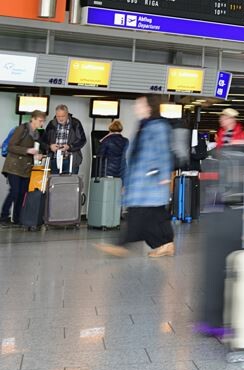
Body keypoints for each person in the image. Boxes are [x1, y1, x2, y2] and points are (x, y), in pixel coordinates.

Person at [96, 95, 176, 258]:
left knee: (138, 215)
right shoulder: (144, 126)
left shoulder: (158, 126)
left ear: (149, 107)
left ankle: (122, 245)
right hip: (140, 180)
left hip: (150, 180)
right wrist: (128, 182)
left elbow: (163, 151)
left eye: (139, 105)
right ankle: (165, 244)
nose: (136, 108)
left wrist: (165, 173)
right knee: (150, 216)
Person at [1, 111, 45, 227]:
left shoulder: (36, 134)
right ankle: (4, 216)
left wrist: (38, 154)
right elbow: (11, 146)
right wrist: (27, 151)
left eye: (43, 121)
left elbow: (37, 148)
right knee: (14, 191)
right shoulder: (22, 129)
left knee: (21, 193)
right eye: (40, 120)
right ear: (33, 119)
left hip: (25, 169)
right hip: (14, 167)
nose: (42, 123)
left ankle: (17, 218)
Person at [43, 105, 86, 175]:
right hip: (54, 160)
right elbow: (43, 141)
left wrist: (70, 147)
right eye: (58, 116)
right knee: (54, 184)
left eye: (62, 116)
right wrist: (50, 147)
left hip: (71, 160)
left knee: (70, 184)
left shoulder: (75, 123)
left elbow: (82, 140)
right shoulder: (51, 124)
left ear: (67, 114)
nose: (60, 118)